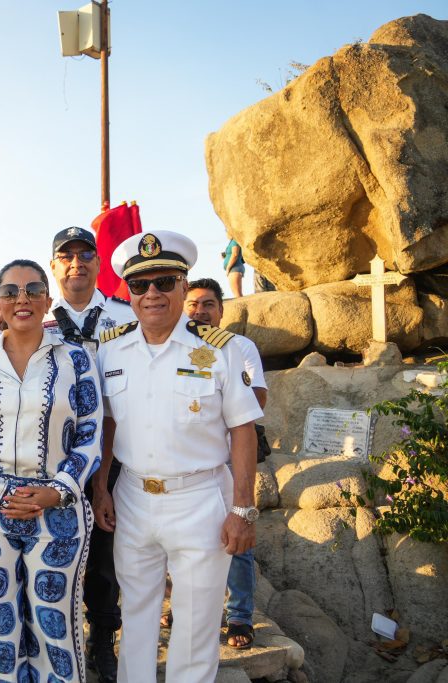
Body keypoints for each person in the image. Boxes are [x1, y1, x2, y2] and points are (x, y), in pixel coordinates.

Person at [93, 231, 263, 683]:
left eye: (164, 282)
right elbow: (108, 424)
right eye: (140, 285)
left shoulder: (220, 350)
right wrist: (100, 487)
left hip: (200, 499)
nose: (152, 294)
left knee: (195, 628)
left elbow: (243, 429)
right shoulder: (111, 349)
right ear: (128, 293)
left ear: (184, 287)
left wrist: (243, 508)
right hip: (132, 496)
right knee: (138, 617)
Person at [0, 259, 101, 682]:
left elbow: (90, 433)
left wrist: (57, 491)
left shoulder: (75, 360)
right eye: (11, 292)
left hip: (58, 509)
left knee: (54, 619)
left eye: (33, 290)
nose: (23, 299)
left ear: (47, 301)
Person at [45, 225, 135, 681]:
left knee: (104, 557)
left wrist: (103, 479)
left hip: (114, 454)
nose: (77, 263)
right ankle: (60, 643)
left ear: (99, 264)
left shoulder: (127, 315)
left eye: (86, 255)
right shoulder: (36, 321)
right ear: (54, 265)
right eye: (67, 256)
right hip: (52, 460)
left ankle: (102, 641)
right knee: (56, 551)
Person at [184, 277, 268, 650]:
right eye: (193, 304)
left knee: (235, 538)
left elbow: (258, 398)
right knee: (187, 540)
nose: (199, 311)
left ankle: (239, 615)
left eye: (207, 304)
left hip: (228, 456)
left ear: (221, 310)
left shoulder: (238, 346)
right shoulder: (170, 346)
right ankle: (194, 607)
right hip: (185, 461)